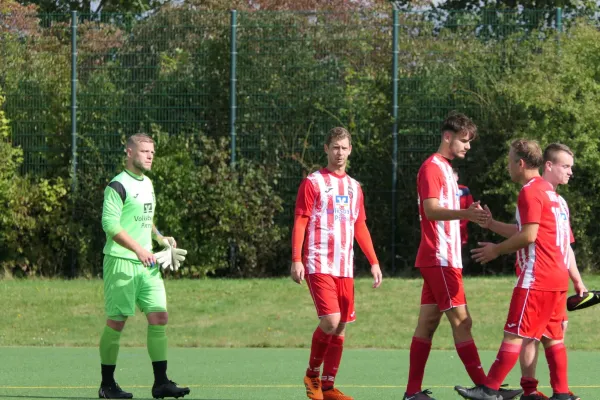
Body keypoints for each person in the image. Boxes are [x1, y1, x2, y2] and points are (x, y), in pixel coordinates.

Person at [404, 113, 522, 400]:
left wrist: (473, 214)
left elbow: (443, 210)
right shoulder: (432, 167)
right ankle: (486, 388)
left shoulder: (446, 169)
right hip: (440, 257)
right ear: (448, 136)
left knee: (428, 323)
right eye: (464, 140)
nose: (468, 146)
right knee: (462, 321)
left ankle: (411, 393)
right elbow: (430, 210)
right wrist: (465, 213)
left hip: (442, 257)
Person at [455, 139, 574, 400]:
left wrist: (496, 250)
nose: (508, 166)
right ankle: (562, 393)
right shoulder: (549, 193)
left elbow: (529, 236)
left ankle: (490, 390)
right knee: (552, 338)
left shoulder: (530, 192)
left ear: (520, 164)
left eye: (510, 161)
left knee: (514, 333)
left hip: (537, 277)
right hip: (556, 278)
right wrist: (493, 224)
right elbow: (530, 231)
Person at [291, 127, 383, 400]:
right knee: (330, 321)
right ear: (326, 149)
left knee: (342, 325)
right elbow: (301, 219)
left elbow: (360, 225)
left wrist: (374, 262)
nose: (339, 153)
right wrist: (296, 258)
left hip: (345, 266)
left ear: (350, 150)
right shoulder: (314, 182)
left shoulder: (355, 187)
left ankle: (329, 388)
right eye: (335, 147)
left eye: (344, 148)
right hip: (319, 261)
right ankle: (312, 375)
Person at [99, 133, 190, 399]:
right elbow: (111, 225)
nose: (150, 155)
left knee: (159, 317)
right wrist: (138, 249)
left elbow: (144, 220)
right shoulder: (117, 185)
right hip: (121, 263)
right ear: (129, 152)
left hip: (147, 265)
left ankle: (161, 383)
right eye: (144, 151)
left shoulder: (148, 183)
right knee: (117, 322)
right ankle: (107, 385)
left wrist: (160, 239)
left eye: (152, 151)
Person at [454, 168, 475, 268]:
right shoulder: (442, 190)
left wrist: (464, 222)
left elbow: (470, 206)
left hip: (462, 225)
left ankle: (460, 268)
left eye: (454, 175)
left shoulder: (464, 190)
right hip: (448, 224)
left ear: (457, 177)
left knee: (461, 247)